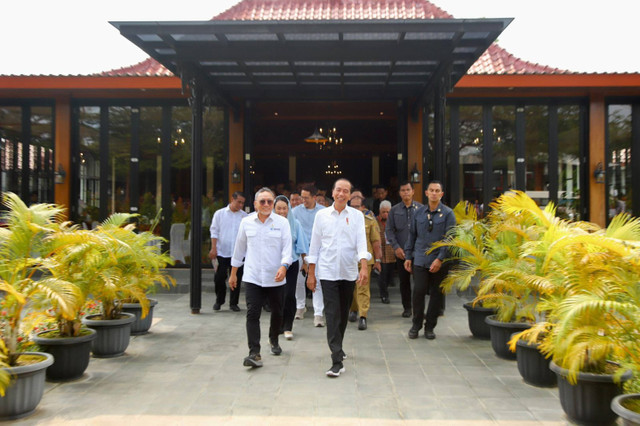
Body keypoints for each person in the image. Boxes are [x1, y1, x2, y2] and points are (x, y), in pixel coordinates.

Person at [307, 178, 370, 377]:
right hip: (327, 272)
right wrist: (311, 273)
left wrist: (364, 268)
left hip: (348, 271)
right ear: (332, 193)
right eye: (338, 190)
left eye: (346, 191)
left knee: (342, 314)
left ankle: (338, 347)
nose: (342, 194)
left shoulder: (357, 216)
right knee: (332, 314)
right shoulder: (322, 215)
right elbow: (314, 246)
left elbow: (362, 243)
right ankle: (336, 360)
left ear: (350, 195)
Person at [230, 187, 292, 368]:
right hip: (253, 276)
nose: (266, 204)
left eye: (269, 201)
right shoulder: (246, 222)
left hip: (276, 277)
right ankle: (254, 352)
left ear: (273, 204)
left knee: (277, 311)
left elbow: (287, 249)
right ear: (255, 204)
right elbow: (239, 249)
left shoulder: (282, 223)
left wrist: (284, 266)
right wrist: (233, 273)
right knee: (252, 313)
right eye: (262, 201)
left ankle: (274, 339)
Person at [404, 181, 456, 340]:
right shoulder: (418, 213)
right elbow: (412, 235)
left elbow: (450, 239)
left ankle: (430, 327)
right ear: (426, 193)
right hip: (420, 258)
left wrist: (440, 259)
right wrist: (408, 256)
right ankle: (416, 324)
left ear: (441, 194)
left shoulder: (448, 213)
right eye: (431, 190)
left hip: (439, 261)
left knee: (436, 294)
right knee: (418, 291)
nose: (434, 193)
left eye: (437, 191)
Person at [385, 181, 422, 318]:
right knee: (404, 282)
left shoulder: (421, 209)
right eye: (403, 190)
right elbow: (389, 231)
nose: (406, 192)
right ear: (399, 193)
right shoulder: (394, 210)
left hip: (418, 253)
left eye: (408, 190)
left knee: (419, 283)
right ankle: (407, 308)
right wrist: (396, 247)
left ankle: (418, 308)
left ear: (413, 191)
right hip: (401, 253)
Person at [274, 195, 308, 340]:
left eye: (284, 208)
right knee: (276, 296)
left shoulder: (296, 224)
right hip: (274, 263)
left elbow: (301, 245)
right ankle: (277, 325)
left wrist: (305, 263)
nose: (282, 211)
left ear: (288, 209)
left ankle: (288, 326)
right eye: (278, 209)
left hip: (291, 263)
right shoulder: (270, 223)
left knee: (289, 294)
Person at [292, 184, 326, 327]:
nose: (303, 200)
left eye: (306, 197)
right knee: (299, 281)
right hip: (300, 250)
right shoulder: (294, 212)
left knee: (317, 280)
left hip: (318, 250)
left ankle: (318, 314)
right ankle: (300, 307)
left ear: (314, 197)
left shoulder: (323, 212)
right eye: (302, 197)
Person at [347, 194, 382, 331]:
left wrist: (378, 260)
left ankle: (363, 315)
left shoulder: (369, 220)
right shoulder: (344, 219)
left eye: (357, 206)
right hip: (349, 258)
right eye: (352, 206)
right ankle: (353, 309)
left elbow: (376, 241)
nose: (355, 209)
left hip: (365, 259)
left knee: (363, 287)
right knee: (350, 287)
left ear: (363, 207)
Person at [208, 192, 247, 312]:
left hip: (238, 253)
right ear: (232, 199)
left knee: (236, 278)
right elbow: (214, 231)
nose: (240, 205)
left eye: (242, 203)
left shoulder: (244, 216)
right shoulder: (220, 214)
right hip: (222, 252)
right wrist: (213, 248)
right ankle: (219, 300)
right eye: (238, 202)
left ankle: (233, 303)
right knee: (219, 278)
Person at [377, 200, 395, 304]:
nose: (386, 214)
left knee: (389, 274)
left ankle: (385, 290)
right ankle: (384, 295)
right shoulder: (375, 221)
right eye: (383, 212)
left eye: (388, 212)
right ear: (380, 211)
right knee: (382, 275)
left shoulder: (394, 221)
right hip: (380, 251)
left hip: (391, 251)